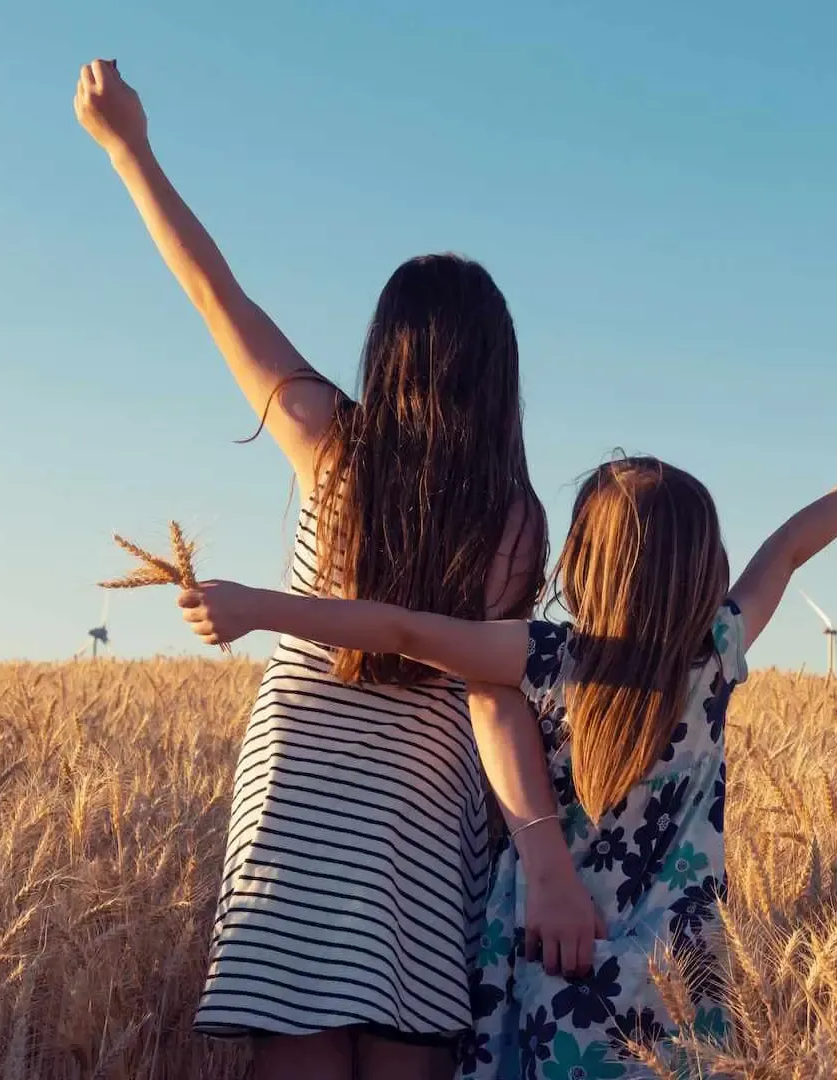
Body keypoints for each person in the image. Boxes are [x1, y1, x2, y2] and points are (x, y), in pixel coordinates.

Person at [74, 59, 597, 1080]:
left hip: (301, 795)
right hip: (424, 815)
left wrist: (128, 150)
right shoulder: (515, 521)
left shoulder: (328, 443)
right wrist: (542, 851)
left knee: (299, 1043)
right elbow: (494, 697)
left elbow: (210, 292)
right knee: (406, 1052)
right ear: (500, 369)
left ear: (387, 351)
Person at [173, 393, 837, 1077]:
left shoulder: (542, 657)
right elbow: (788, 546)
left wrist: (260, 607)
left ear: (580, 561)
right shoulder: (717, 655)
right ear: (704, 565)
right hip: (675, 967)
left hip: (544, 956)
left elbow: (401, 627)